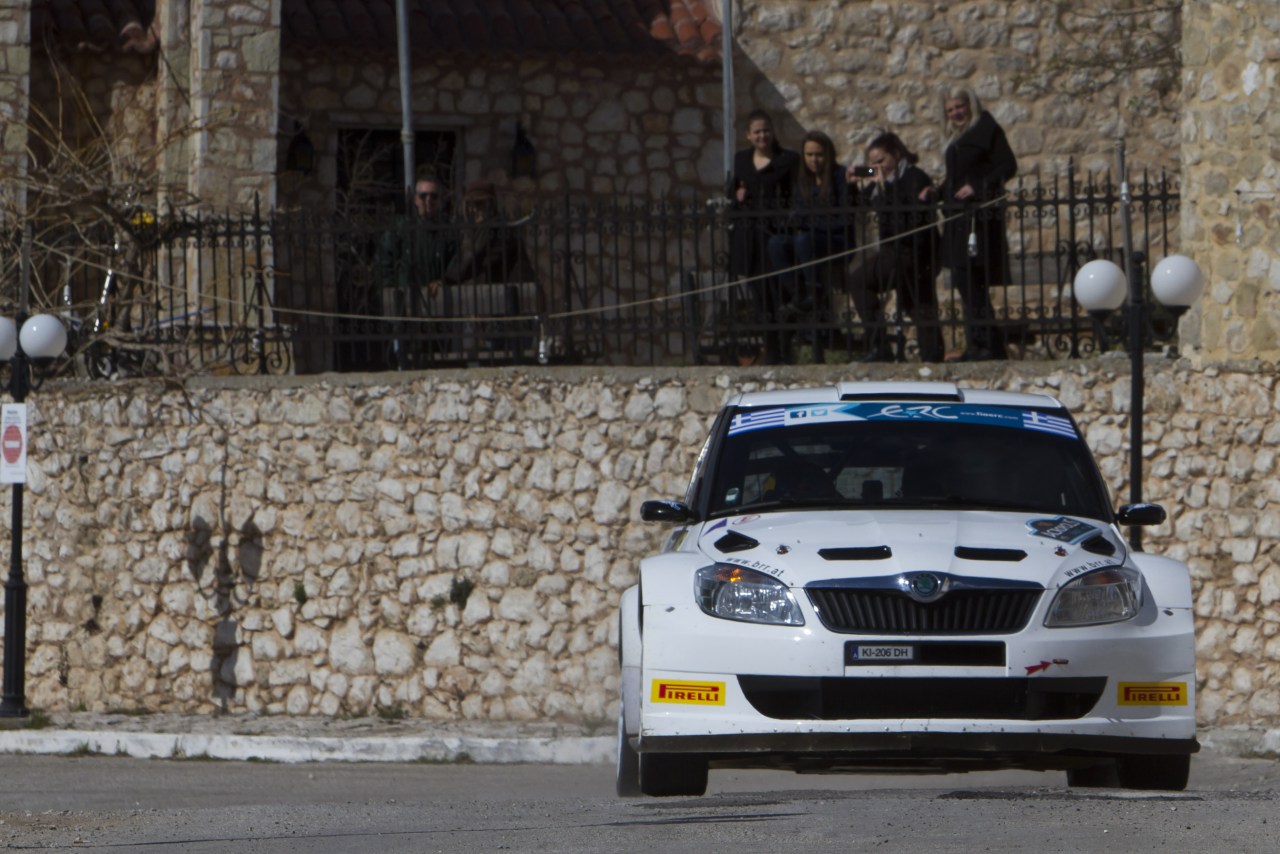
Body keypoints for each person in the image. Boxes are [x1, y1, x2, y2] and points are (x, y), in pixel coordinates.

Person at [934, 86, 1017, 361]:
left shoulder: (987, 129)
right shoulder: (958, 137)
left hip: (978, 221)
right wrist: (935, 192)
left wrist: (977, 187)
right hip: (959, 218)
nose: (955, 113)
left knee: (973, 281)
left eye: (959, 107)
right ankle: (980, 343)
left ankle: (987, 346)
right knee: (963, 280)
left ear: (970, 105)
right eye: (950, 110)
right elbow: (956, 177)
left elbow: (1007, 165)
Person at [846, 132, 944, 363]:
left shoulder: (914, 177)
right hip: (895, 252)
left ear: (896, 155)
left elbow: (906, 220)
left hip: (912, 252)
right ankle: (916, 351)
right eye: (873, 163)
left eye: (882, 161)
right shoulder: (882, 184)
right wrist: (852, 186)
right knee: (917, 303)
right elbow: (857, 206)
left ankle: (926, 354)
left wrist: (886, 190)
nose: (878, 167)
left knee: (859, 281)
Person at [727, 109, 799, 362]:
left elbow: (795, 197)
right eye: (757, 131)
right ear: (748, 135)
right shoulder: (741, 161)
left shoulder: (787, 160)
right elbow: (732, 193)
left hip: (775, 237)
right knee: (760, 298)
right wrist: (737, 198)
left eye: (766, 130)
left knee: (781, 295)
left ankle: (784, 351)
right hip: (750, 239)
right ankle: (770, 350)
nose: (762, 136)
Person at [766, 130, 855, 324]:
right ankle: (799, 294)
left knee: (804, 238)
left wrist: (812, 221)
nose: (814, 159)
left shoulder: (840, 175)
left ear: (828, 155)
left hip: (838, 240)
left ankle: (815, 294)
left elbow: (845, 218)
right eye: (809, 155)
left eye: (819, 154)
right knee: (776, 243)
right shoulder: (802, 180)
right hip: (809, 239)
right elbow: (800, 214)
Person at [374, 174, 457, 369]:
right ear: (415, 199)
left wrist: (444, 280)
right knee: (404, 362)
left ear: (441, 200)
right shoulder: (401, 228)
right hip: (405, 310)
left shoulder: (449, 232)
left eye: (433, 196)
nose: (428, 201)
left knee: (438, 365)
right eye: (423, 196)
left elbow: (457, 263)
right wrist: (391, 291)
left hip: (437, 312)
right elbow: (383, 261)